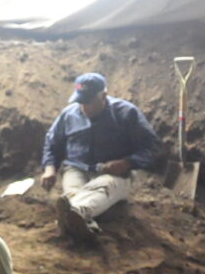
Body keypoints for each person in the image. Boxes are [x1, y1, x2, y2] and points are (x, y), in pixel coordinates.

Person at [39, 73, 161, 239]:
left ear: (103, 96)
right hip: (76, 169)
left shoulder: (126, 113)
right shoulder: (68, 114)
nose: (84, 107)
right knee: (74, 193)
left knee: (102, 187)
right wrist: (49, 169)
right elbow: (52, 143)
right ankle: (81, 221)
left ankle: (74, 213)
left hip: (113, 175)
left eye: (89, 102)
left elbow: (152, 146)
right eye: (81, 101)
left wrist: (127, 163)